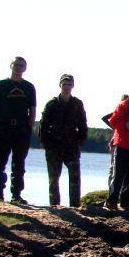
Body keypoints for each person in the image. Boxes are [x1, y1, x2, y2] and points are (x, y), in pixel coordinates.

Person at [0, 57, 37, 204]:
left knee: (19, 163)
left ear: (25, 68)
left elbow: (32, 109)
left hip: (22, 129)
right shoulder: (1, 85)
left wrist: (29, 126)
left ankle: (16, 195)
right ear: (11, 66)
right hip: (3, 127)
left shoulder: (29, 87)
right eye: (16, 65)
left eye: (21, 65)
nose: (18, 67)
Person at [39, 74, 88, 207]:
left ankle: (75, 206)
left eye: (69, 84)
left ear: (73, 86)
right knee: (53, 179)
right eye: (64, 84)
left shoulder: (77, 104)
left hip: (71, 146)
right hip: (54, 146)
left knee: (75, 178)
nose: (67, 87)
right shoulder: (52, 104)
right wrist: (46, 144)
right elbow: (43, 125)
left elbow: (83, 124)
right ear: (60, 85)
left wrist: (79, 141)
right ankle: (55, 206)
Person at [102, 94, 129, 190]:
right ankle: (111, 188)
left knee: (124, 167)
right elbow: (104, 118)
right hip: (116, 142)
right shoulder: (117, 112)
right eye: (124, 101)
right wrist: (114, 127)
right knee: (113, 167)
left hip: (125, 142)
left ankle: (120, 188)